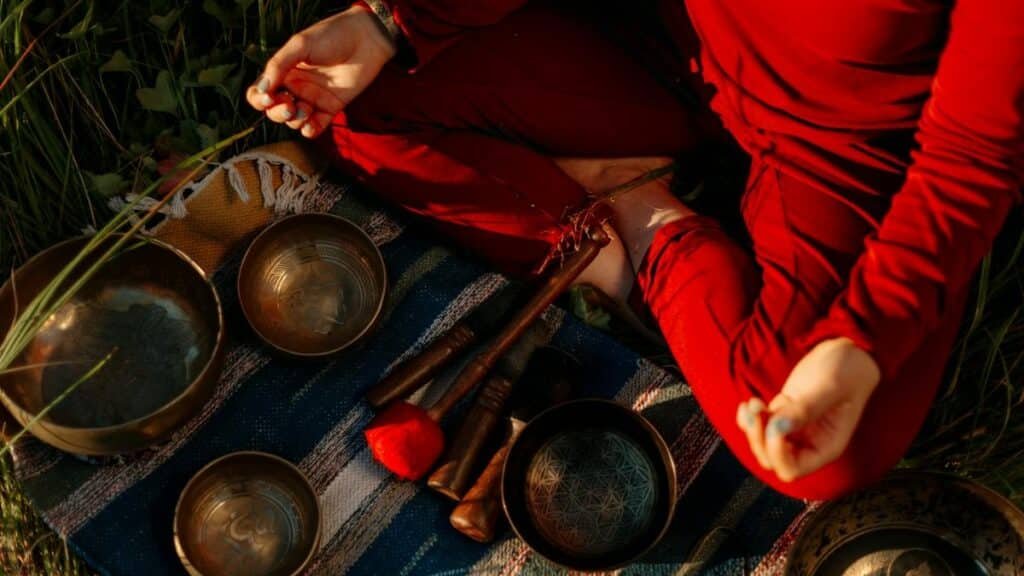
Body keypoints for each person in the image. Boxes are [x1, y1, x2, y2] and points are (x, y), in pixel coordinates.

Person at [245, 0, 1023, 500]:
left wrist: (863, 339)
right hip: (656, 41)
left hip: (844, 149)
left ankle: (639, 217)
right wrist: (397, 20)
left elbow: (973, 160)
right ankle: (609, 225)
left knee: (823, 455)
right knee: (355, 105)